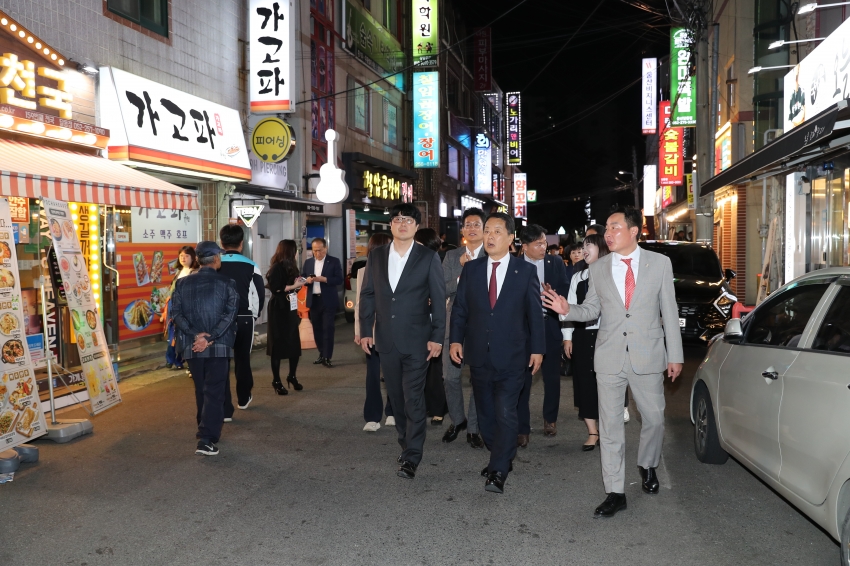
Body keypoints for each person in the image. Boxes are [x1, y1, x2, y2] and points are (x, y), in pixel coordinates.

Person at [542, 205, 683, 518]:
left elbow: (669, 311)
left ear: (633, 231)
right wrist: (567, 309)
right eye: (606, 227)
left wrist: (675, 355)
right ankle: (615, 491)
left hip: (648, 354)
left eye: (614, 227)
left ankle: (648, 464)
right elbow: (591, 310)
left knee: (654, 418)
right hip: (609, 356)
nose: (608, 233)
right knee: (610, 426)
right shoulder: (599, 268)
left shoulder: (660, 264)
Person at [450, 212, 545, 494]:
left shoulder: (524, 271)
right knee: (486, 414)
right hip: (479, 354)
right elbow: (460, 309)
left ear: (511, 238)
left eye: (497, 231)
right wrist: (455, 340)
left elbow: (534, 315)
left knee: (505, 411)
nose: (490, 236)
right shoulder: (472, 269)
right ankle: (500, 455)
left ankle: (499, 469)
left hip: (513, 355)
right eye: (487, 231)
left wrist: (538, 349)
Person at [358, 203, 446, 480]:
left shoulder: (428, 257)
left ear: (416, 226)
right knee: (396, 400)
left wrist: (437, 337)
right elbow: (368, 294)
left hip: (418, 340)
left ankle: (412, 456)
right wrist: (366, 330)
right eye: (397, 219)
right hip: (386, 339)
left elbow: (438, 299)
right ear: (391, 225)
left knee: (413, 398)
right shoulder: (377, 255)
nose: (402, 224)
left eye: (408, 220)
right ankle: (405, 443)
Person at [170, 241, 239, 456]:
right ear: (216, 259)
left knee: (201, 389)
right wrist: (211, 336)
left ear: (198, 259)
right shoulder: (228, 283)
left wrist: (195, 335)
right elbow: (230, 315)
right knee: (215, 390)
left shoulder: (182, 284)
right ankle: (206, 438)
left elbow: (176, 314)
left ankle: (204, 429)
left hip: (192, 346)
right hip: (219, 345)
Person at [516, 224, 570, 445]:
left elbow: (565, 290)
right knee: (523, 379)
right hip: (524, 330)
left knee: (552, 378)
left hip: (549, 326)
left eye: (544, 243)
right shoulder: (515, 265)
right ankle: (522, 428)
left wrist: (552, 294)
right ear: (525, 246)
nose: (543, 248)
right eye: (538, 244)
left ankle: (550, 419)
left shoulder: (555, 262)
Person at [441, 208, 486, 449]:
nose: (471, 228)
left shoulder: (492, 254)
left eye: (476, 224)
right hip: (454, 323)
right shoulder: (452, 256)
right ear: (463, 230)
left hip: (481, 324)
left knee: (478, 378)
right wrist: (461, 272)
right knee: (450, 377)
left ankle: (473, 428)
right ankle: (458, 420)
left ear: (484, 228)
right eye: (468, 224)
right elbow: (442, 288)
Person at [562, 234, 610, 450]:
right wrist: (567, 338)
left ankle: (608, 430)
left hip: (607, 336)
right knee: (585, 383)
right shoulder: (578, 277)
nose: (584, 250)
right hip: (582, 336)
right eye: (583, 246)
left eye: (589, 245)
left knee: (606, 383)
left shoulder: (613, 274)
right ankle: (593, 432)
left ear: (602, 248)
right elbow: (569, 308)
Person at [218, 224, 266, 413]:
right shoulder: (251, 265)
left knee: (221, 362)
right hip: (244, 318)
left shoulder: (214, 265)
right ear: (241, 243)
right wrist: (254, 314)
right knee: (242, 359)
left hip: (219, 321)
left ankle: (225, 409)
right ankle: (243, 398)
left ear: (221, 242)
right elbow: (259, 294)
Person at [354, 232, 395, 432]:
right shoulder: (363, 271)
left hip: (393, 329)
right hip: (371, 329)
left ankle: (393, 411)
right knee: (372, 373)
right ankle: (372, 416)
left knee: (393, 373)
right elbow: (360, 303)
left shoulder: (398, 269)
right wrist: (359, 331)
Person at [415, 228, 449, 426]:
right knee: (418, 368)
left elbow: (441, 290)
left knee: (434, 367)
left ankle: (438, 408)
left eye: (418, 244)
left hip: (434, 320)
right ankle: (425, 405)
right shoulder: (412, 261)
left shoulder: (438, 260)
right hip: (416, 321)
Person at [266, 240, 306, 395]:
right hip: (278, 308)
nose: (296, 253)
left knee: (293, 343)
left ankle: (292, 376)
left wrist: (298, 283)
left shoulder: (292, 266)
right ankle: (276, 380)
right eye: (295, 250)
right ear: (289, 251)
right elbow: (276, 288)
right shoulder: (276, 267)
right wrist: (294, 286)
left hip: (290, 306)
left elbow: (292, 287)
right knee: (277, 345)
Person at [302, 238, 343, 368]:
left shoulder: (334, 261)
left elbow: (339, 279)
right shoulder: (308, 262)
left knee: (328, 328)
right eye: (314, 251)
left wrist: (325, 279)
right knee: (317, 329)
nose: (317, 253)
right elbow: (302, 277)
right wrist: (306, 280)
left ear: (325, 248)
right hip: (314, 300)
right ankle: (321, 352)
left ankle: (327, 356)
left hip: (328, 300)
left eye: (320, 250)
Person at [161, 246, 199, 371]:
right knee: (172, 334)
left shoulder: (195, 272)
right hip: (173, 306)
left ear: (193, 258)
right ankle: (171, 359)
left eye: (186, 256)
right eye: (181, 256)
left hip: (185, 307)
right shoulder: (179, 271)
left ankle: (178, 360)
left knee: (182, 335)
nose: (183, 258)